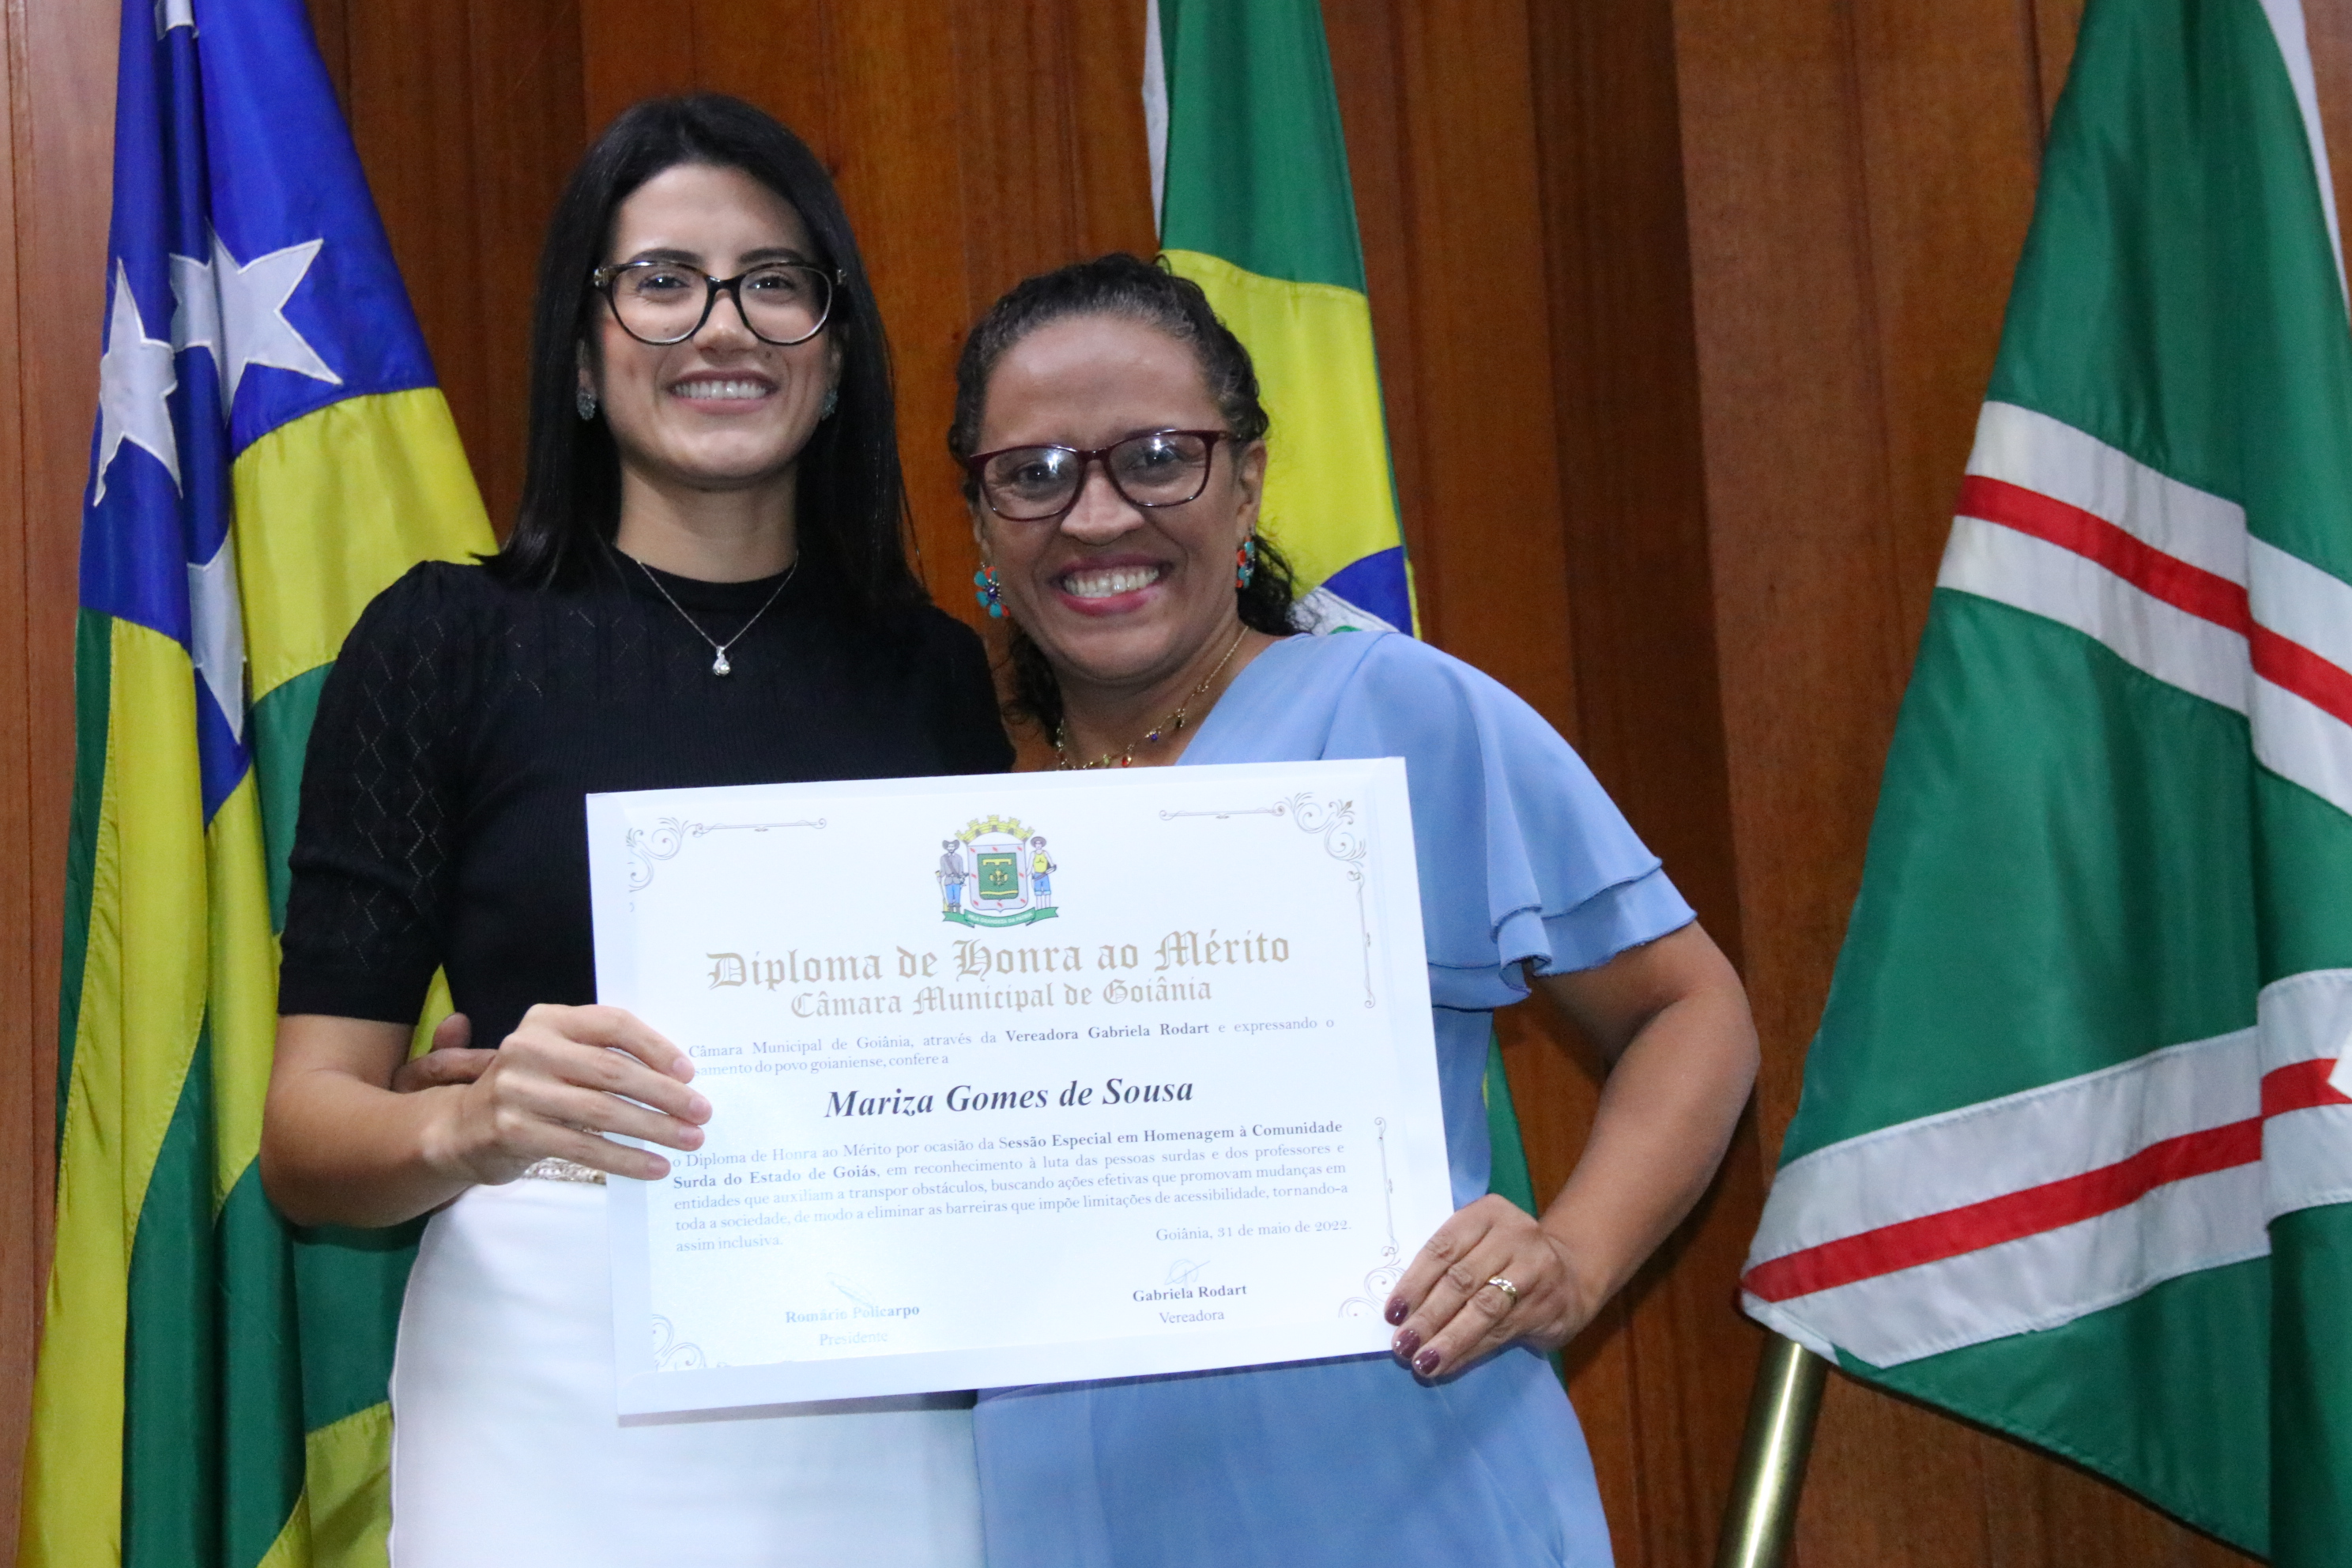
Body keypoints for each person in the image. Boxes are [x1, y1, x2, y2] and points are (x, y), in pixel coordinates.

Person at [258, 96, 1008, 1567]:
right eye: (662, 282)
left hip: (883, 1374)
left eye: (774, 282)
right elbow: (306, 1138)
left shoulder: (931, 671)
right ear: (583, 353)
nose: (722, 327)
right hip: (548, 1381)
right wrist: (472, 1121)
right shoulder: (442, 641)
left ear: (835, 355)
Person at [948, 253, 1759, 1568]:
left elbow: (1690, 1009)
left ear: (1248, 479)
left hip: (1398, 1485)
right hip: (1068, 1509)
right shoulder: (954, 817)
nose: (1096, 515)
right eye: (1034, 473)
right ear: (983, 523)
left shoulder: (1393, 711)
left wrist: (1572, 1258)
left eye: (1157, 458)